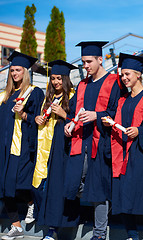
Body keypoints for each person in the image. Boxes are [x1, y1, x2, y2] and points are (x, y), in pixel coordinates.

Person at [63, 41, 127, 240]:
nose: (86, 66)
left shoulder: (114, 82)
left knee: (98, 188)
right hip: (80, 142)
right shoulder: (82, 85)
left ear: (100, 60)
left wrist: (97, 116)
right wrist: (68, 122)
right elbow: (74, 111)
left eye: (89, 61)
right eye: (83, 62)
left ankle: (99, 234)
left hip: (102, 144)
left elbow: (118, 111)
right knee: (74, 184)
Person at [103, 53, 143, 240]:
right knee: (122, 194)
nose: (124, 78)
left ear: (139, 74)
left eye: (128, 74)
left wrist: (140, 131)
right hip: (122, 151)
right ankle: (131, 234)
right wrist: (110, 122)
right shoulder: (123, 99)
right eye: (122, 74)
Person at [33, 60, 79, 240]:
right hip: (47, 149)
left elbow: (76, 121)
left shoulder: (74, 97)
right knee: (42, 187)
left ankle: (55, 229)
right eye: (53, 78)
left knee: (60, 189)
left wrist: (64, 114)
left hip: (64, 150)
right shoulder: (48, 98)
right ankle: (50, 227)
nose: (55, 82)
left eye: (59, 78)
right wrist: (38, 119)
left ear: (66, 79)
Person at [0, 51, 44, 240]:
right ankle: (16, 225)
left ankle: (30, 201)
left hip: (22, 146)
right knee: (2, 186)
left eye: (18, 70)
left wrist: (24, 114)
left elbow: (40, 121)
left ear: (25, 71)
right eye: (12, 70)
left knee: (19, 183)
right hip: (3, 147)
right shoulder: (4, 95)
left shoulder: (34, 92)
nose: (14, 73)